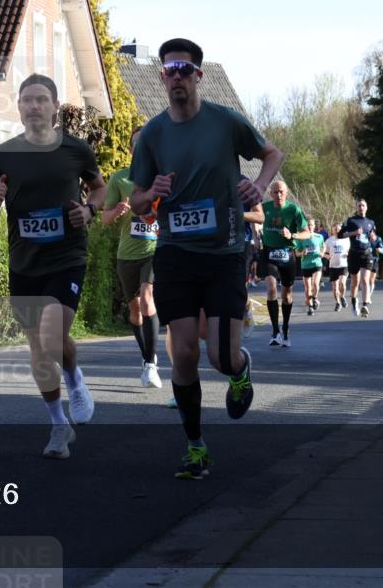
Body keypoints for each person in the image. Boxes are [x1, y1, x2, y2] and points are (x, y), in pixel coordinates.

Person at [130, 38, 284, 480]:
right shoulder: (152, 134)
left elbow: (273, 153)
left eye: (185, 69)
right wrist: (151, 193)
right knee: (182, 354)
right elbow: (137, 202)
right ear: (162, 78)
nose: (177, 77)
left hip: (225, 253)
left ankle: (240, 368)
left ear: (198, 75)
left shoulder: (225, 121)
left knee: (219, 356)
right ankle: (196, 447)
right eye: (169, 70)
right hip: (175, 254)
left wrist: (259, 184)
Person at [0, 73, 105, 458]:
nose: (33, 106)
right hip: (24, 262)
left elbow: (99, 188)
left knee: (51, 334)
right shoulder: (3, 155)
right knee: (39, 347)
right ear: (18, 107)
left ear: (54, 107)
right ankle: (59, 422)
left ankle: (74, 384)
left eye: (41, 99)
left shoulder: (76, 150)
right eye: (27, 100)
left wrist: (89, 210)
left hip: (66, 257)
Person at [101, 126, 162, 389]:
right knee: (135, 311)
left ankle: (150, 365)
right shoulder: (120, 178)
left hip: (153, 251)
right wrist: (117, 210)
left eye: (145, 142)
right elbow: (104, 219)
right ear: (130, 148)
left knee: (147, 300)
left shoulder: (161, 178)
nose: (140, 147)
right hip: (126, 254)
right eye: (136, 143)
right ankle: (147, 353)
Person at [259, 181, 310, 348]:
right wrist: (255, 234)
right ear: (270, 193)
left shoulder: (294, 210)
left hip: (287, 253)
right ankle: (275, 331)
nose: (278, 195)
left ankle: (286, 328)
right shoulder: (264, 207)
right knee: (271, 288)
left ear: (286, 193)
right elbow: (254, 219)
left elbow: (307, 233)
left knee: (287, 295)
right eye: (275, 192)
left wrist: (292, 235)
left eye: (281, 192)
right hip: (268, 253)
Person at [343, 199, 376, 318]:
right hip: (354, 254)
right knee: (355, 282)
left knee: (365, 280)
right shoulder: (351, 220)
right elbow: (342, 234)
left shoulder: (371, 222)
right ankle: (354, 301)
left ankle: (365, 305)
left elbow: (373, 235)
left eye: (363, 205)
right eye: (359, 206)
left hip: (366, 254)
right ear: (356, 208)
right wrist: (354, 233)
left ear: (366, 207)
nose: (361, 207)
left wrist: (373, 237)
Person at [241, 176, 265, 337]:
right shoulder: (205, 177)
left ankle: (245, 307)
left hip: (241, 242)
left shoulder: (243, 182)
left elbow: (260, 216)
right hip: (214, 243)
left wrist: (238, 214)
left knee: (238, 286)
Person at [296, 219, 325, 316]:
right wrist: (302, 252)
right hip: (306, 265)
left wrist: (322, 252)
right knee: (308, 288)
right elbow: (297, 253)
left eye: (311, 225)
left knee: (316, 283)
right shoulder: (301, 238)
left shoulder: (319, 236)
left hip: (317, 263)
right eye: (308, 225)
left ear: (314, 226)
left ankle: (315, 298)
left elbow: (323, 246)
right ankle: (310, 307)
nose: (310, 227)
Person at [324, 223, 350, 311]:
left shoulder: (346, 239)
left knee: (342, 283)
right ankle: (338, 303)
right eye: (335, 229)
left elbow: (350, 249)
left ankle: (342, 297)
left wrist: (348, 253)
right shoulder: (329, 241)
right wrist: (326, 256)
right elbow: (322, 251)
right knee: (335, 287)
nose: (337, 231)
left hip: (343, 265)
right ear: (332, 230)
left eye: (338, 229)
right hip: (333, 266)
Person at [368, 229, 383, 302]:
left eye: (371, 233)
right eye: (369, 233)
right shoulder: (365, 238)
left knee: (372, 280)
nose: (370, 235)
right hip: (366, 260)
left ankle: (368, 296)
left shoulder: (378, 239)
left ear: (374, 233)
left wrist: (380, 250)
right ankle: (366, 295)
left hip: (375, 260)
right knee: (366, 279)